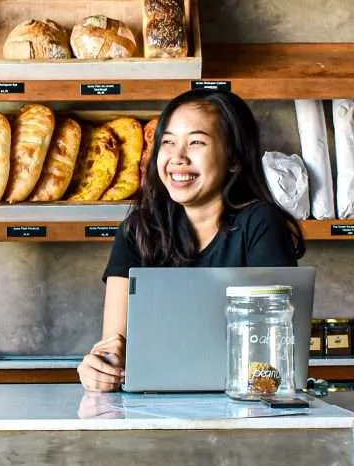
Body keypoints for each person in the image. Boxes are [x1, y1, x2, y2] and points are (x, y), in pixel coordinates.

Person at [77, 88, 305, 392]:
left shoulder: (260, 225)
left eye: (196, 142)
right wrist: (99, 369)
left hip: (243, 409)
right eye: (168, 142)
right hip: (150, 412)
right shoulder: (138, 230)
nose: (177, 157)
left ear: (234, 159)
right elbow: (114, 347)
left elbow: (271, 359)